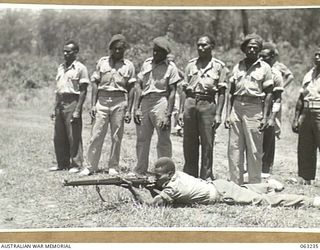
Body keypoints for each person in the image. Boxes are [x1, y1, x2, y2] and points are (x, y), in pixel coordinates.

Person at [122, 157, 320, 208]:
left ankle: (308, 201)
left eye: (158, 176)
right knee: (244, 189)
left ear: (169, 174)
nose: (156, 178)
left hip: (223, 193)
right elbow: (161, 190)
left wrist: (132, 188)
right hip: (218, 185)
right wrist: (152, 186)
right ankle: (270, 184)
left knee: (263, 201)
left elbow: (151, 206)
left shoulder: (174, 187)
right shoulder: (176, 176)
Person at [79, 34, 136, 176]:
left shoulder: (129, 66)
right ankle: (90, 166)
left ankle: (113, 166)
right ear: (111, 49)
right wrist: (93, 105)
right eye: (115, 49)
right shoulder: (102, 62)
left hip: (119, 101)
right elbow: (95, 83)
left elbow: (132, 88)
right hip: (102, 101)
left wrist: (129, 110)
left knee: (116, 137)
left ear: (124, 50)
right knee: (96, 135)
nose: (118, 51)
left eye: (121, 49)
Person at [225, 33, 273, 185]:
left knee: (254, 149)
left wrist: (265, 117)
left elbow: (270, 94)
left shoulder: (265, 68)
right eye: (249, 47)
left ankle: (254, 185)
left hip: (254, 108)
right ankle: (235, 184)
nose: (252, 50)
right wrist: (228, 114)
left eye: (255, 47)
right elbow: (230, 93)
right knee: (234, 148)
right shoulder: (237, 67)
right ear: (244, 49)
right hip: (237, 107)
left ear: (259, 50)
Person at [178, 35, 227, 180]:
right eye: (198, 45)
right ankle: (190, 176)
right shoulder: (190, 65)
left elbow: (222, 92)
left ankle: (205, 177)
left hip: (208, 104)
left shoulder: (219, 66)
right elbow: (184, 89)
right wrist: (181, 111)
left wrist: (218, 114)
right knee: (189, 141)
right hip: (190, 102)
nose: (200, 48)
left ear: (212, 46)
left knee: (207, 142)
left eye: (204, 45)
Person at [132, 36, 180, 176]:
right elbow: (138, 86)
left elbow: (172, 92)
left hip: (161, 102)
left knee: (163, 140)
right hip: (146, 101)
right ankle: (140, 169)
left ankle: (164, 172)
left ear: (165, 53)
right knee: (142, 138)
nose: (155, 54)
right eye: (154, 51)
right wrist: (136, 108)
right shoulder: (147, 64)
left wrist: (168, 114)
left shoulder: (171, 68)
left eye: (159, 51)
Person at [49, 40, 89, 173]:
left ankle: (76, 164)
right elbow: (58, 88)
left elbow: (83, 90)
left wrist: (77, 110)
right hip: (60, 101)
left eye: (68, 51)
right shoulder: (61, 67)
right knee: (59, 135)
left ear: (76, 52)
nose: (65, 54)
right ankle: (62, 163)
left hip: (73, 101)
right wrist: (54, 107)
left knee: (73, 135)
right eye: (64, 51)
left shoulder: (80, 68)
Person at [292, 47, 320, 185]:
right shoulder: (309, 74)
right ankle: (306, 177)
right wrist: (296, 118)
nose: (317, 58)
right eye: (316, 55)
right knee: (305, 146)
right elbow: (301, 97)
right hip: (307, 112)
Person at [259, 42, 284, 178]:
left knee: (267, 143)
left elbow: (278, 99)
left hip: (268, 111)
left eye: (265, 57)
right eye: (260, 56)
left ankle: (265, 171)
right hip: (255, 108)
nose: (262, 60)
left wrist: (272, 118)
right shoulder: (257, 70)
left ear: (273, 58)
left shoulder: (276, 74)